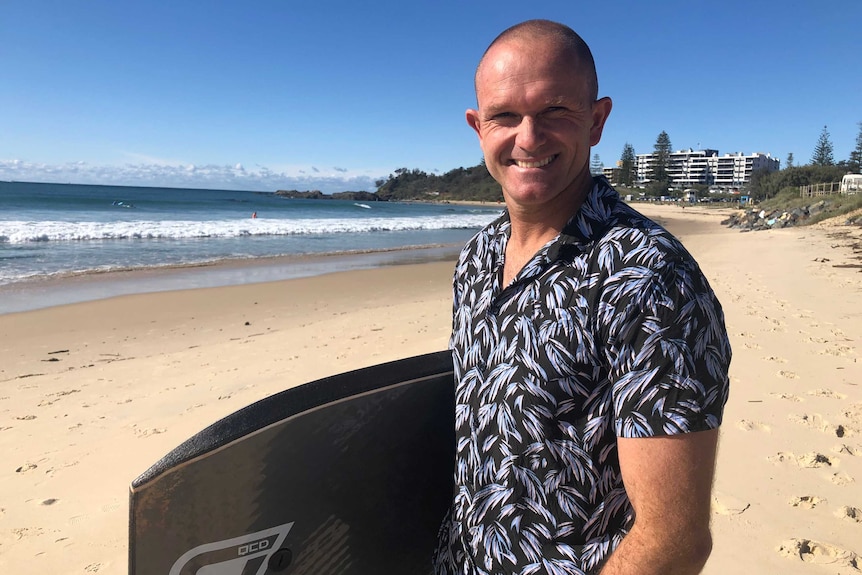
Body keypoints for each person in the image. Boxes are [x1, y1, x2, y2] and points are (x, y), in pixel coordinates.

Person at [433, 20, 731, 575]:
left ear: (596, 121)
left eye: (555, 112)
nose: (527, 137)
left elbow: (674, 541)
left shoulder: (649, 278)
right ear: (478, 127)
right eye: (505, 115)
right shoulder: (476, 258)